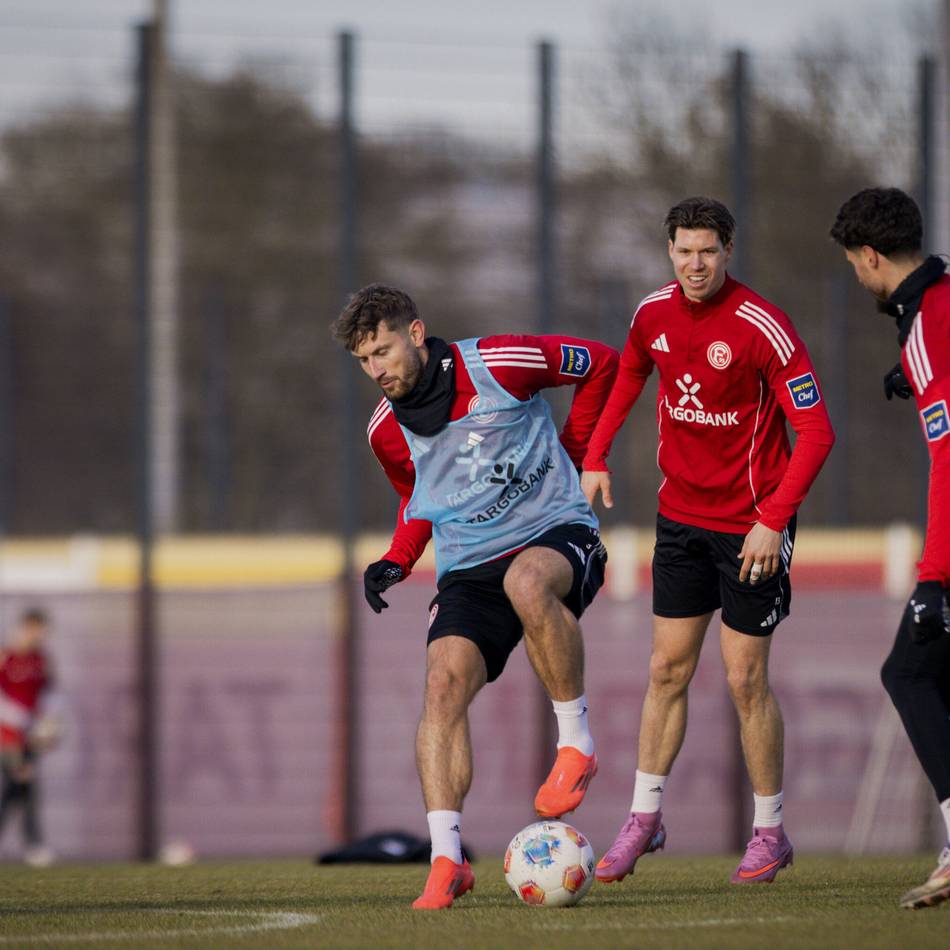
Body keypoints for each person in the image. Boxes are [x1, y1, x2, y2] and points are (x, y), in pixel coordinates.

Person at [331, 284, 618, 909]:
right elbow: (419, 497)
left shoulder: (502, 362)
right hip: (467, 566)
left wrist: (582, 453)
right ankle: (446, 860)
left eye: (382, 351)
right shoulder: (384, 431)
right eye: (363, 361)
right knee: (441, 685)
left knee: (527, 581)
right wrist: (397, 557)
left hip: (554, 533)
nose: (376, 370)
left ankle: (577, 745)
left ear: (415, 333)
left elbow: (602, 363)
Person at [581, 196, 835, 886]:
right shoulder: (651, 314)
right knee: (666, 671)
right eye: (684, 251)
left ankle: (771, 831)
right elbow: (632, 370)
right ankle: (645, 818)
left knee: (746, 678)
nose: (695, 264)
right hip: (681, 521)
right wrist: (597, 454)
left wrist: (774, 519)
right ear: (670, 251)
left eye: (708, 252)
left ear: (729, 252)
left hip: (753, 527)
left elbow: (816, 433)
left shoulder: (763, 327)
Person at [830, 186, 950, 910]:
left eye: (853, 264)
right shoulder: (933, 309)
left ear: (870, 257)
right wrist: (913, 367)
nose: (857, 276)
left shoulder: (929, 325)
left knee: (909, 673)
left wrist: (934, 576)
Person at [0, 608, 62, 866]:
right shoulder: (7, 656)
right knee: (22, 784)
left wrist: (49, 726)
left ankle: (34, 845)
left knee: (18, 788)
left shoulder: (42, 660)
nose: (39, 635)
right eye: (35, 629)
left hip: (30, 737)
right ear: (25, 627)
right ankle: (35, 845)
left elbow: (51, 695)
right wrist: (21, 719)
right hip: (7, 735)